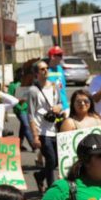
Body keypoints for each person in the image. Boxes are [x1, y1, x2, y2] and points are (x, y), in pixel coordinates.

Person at [27, 60, 64, 192]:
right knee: (51, 158)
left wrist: (57, 108)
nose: (46, 71)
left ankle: (39, 175)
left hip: (53, 128)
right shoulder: (33, 91)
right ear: (37, 73)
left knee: (55, 161)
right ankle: (51, 189)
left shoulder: (54, 86)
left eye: (47, 68)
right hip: (41, 130)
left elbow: (60, 103)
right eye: (42, 69)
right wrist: (35, 136)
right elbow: (30, 114)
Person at [45, 46, 70, 112]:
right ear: (52, 56)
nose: (61, 57)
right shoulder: (45, 70)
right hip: (52, 107)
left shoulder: (60, 69)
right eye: (59, 55)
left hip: (64, 106)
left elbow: (63, 87)